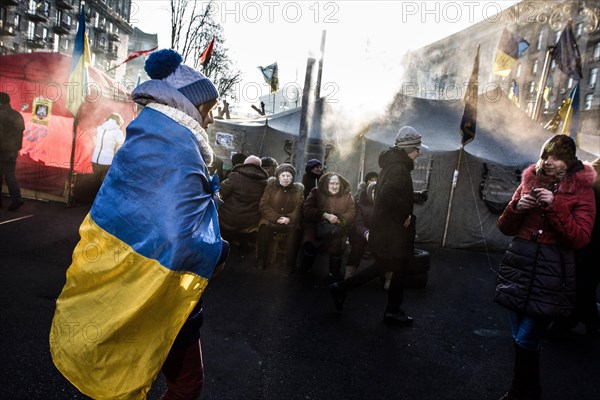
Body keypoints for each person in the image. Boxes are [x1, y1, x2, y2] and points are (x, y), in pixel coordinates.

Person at [50, 49, 228, 400]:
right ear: (190, 104)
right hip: (163, 290)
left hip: (130, 276)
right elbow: (179, 237)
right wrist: (218, 249)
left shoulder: (150, 133)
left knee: (133, 362)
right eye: (208, 109)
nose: (209, 119)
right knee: (186, 383)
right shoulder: (179, 146)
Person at [493, 134, 596, 400]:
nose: (549, 162)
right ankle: (532, 390)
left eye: (557, 157)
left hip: (551, 272)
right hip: (520, 264)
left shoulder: (582, 190)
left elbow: (581, 238)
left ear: (569, 161)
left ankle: (518, 392)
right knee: (519, 335)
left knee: (527, 338)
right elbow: (505, 227)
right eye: (545, 155)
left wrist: (555, 205)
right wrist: (517, 207)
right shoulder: (530, 180)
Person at [329, 126, 429, 326]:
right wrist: (405, 215)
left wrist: (412, 198)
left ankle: (342, 288)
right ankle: (391, 311)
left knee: (385, 266)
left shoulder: (393, 165)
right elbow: (387, 196)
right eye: (417, 148)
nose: (419, 153)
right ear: (409, 148)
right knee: (397, 268)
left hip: (387, 229)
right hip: (393, 231)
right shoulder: (400, 168)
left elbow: (391, 192)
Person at [300, 171, 355, 281]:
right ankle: (305, 268)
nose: (334, 186)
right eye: (331, 183)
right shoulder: (316, 192)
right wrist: (323, 215)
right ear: (326, 184)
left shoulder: (347, 196)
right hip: (315, 224)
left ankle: (333, 272)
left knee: (338, 244)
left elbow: (352, 213)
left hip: (337, 227)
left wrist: (339, 219)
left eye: (337, 184)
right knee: (310, 242)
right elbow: (306, 209)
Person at [256, 163, 304, 272]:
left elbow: (299, 208)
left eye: (288, 176)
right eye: (283, 176)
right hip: (271, 219)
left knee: (296, 231)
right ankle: (261, 260)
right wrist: (276, 217)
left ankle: (290, 264)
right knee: (264, 227)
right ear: (278, 177)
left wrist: (289, 218)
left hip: (289, 222)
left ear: (292, 178)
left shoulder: (298, 191)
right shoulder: (270, 188)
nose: (286, 178)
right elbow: (263, 205)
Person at [218, 155, 268, 252]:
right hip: (250, 221)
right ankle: (243, 247)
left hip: (228, 218)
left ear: (245, 164)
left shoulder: (235, 176)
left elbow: (220, 194)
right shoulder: (263, 183)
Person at [345, 181, 376, 279]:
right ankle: (350, 273)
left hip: (379, 233)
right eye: (373, 192)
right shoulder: (360, 204)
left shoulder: (385, 205)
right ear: (369, 191)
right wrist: (366, 233)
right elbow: (358, 223)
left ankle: (388, 276)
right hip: (361, 233)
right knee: (357, 246)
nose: (376, 195)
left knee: (387, 247)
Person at [0, 92, 25, 211]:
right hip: (12, 151)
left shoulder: (0, 115)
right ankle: (17, 198)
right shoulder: (17, 115)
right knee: (10, 176)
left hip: (2, 150)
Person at [91, 112, 125, 184]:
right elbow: (121, 146)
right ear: (118, 121)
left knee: (93, 182)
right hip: (107, 161)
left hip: (95, 159)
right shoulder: (117, 132)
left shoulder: (99, 128)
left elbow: (94, 141)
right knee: (104, 183)